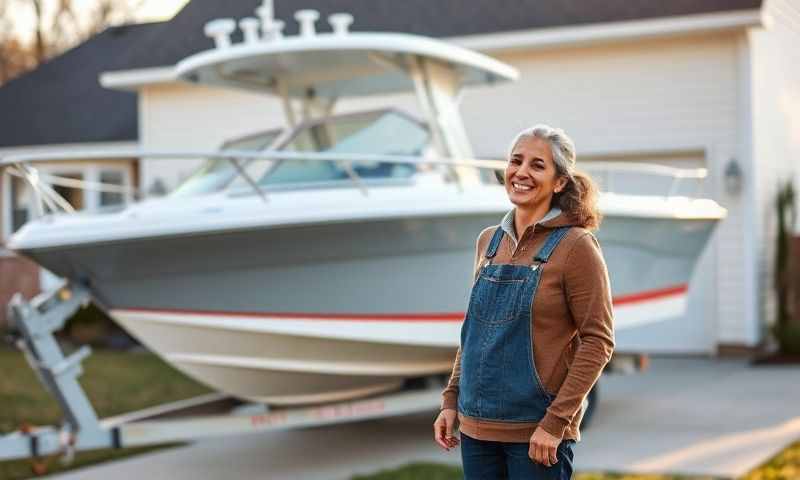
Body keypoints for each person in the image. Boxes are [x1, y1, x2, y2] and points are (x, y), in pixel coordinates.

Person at [432, 124, 615, 479]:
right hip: (475, 430)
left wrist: (556, 422)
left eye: (537, 165)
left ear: (559, 182)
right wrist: (451, 399)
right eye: (516, 161)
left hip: (537, 434)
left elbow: (598, 341)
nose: (522, 172)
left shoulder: (576, 246)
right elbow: (473, 332)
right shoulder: (489, 241)